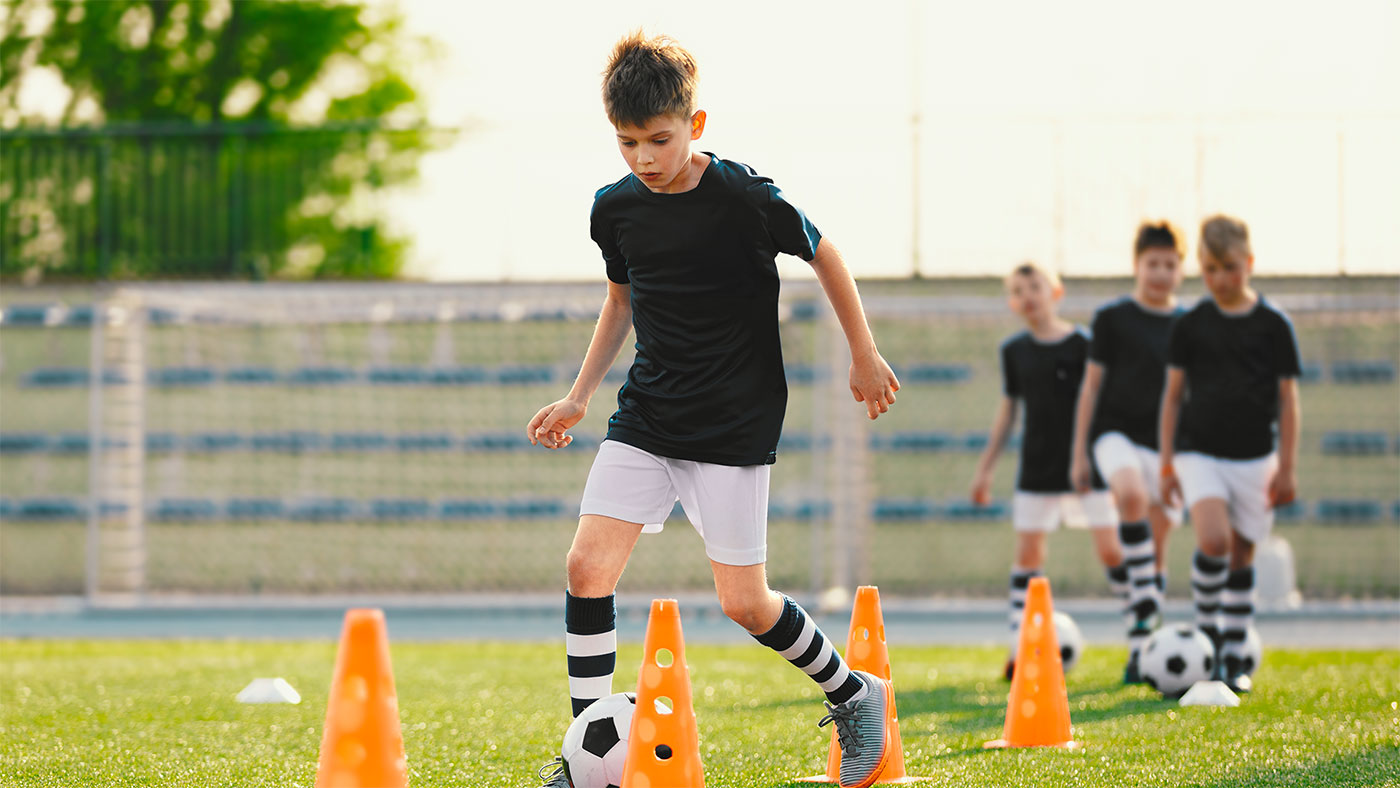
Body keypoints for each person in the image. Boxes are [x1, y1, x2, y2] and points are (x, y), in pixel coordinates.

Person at [526, 31, 902, 788]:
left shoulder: (745, 197)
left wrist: (863, 353)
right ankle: (588, 757)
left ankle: (856, 693)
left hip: (733, 421)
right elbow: (621, 300)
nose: (642, 158)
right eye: (627, 143)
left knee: (746, 603)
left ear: (695, 126)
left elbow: (825, 253)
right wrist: (579, 393)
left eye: (658, 140)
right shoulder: (615, 211)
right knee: (585, 566)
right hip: (648, 413)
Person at [1159, 214, 1301, 694]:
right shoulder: (1192, 325)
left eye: (1231, 267)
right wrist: (1165, 462)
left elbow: (1287, 400)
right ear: (1200, 266)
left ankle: (1235, 653)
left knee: (1242, 554)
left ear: (1250, 263)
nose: (1221, 278)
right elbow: (1173, 396)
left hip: (1256, 457)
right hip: (1199, 452)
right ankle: (1210, 639)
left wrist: (1287, 465)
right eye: (1212, 268)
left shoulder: (1274, 325)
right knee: (1214, 540)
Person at [970, 262, 1126, 680]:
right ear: (1012, 303)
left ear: (1055, 291)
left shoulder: (1084, 344)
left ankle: (1141, 636)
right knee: (1028, 557)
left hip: (1085, 469)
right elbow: (1008, 413)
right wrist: (985, 470)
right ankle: (1017, 649)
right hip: (1037, 469)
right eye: (1018, 290)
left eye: (1035, 285)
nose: (1028, 295)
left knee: (1112, 551)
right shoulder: (1014, 351)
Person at [1069, 220, 1187, 683]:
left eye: (1169, 265)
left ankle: (1142, 653)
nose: (1160, 272)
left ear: (1180, 269)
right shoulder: (1113, 318)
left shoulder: (1187, 326)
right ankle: (1146, 609)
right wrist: (1079, 453)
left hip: (1166, 448)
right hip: (1113, 435)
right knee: (1132, 497)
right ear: (1138, 266)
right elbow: (1090, 387)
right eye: (1152, 263)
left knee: (1154, 560)